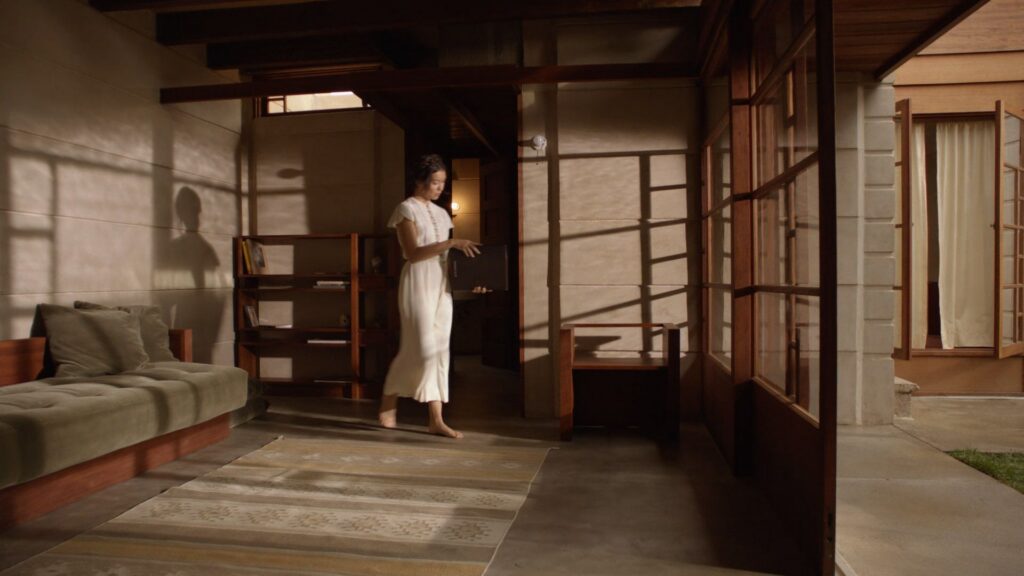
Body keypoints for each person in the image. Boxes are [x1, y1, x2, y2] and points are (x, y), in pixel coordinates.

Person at [378, 154, 480, 438]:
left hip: (441, 282)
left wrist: (473, 281)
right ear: (420, 180)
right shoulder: (405, 209)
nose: (439, 187)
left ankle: (436, 419)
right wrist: (451, 242)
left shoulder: (443, 214)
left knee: (438, 350)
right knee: (420, 347)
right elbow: (413, 253)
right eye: (435, 182)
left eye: (442, 183)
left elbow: (450, 257)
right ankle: (389, 398)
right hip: (417, 281)